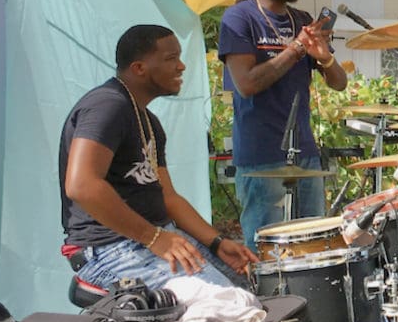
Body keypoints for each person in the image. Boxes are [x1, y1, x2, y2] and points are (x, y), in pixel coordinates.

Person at [60, 24, 258, 290]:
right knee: (229, 307)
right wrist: (153, 238)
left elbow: (168, 198)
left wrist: (217, 242)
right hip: (109, 249)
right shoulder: (107, 105)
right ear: (139, 68)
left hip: (153, 237)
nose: (181, 66)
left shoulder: (149, 122)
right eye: (170, 58)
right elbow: (81, 185)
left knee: (248, 287)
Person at [219, 0, 348, 249]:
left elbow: (340, 83)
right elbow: (247, 84)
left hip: (304, 150)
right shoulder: (239, 18)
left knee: (312, 247)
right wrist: (296, 50)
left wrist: (325, 58)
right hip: (261, 155)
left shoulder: (301, 19)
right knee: (266, 251)